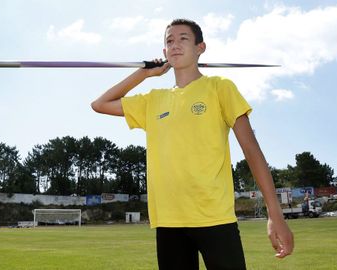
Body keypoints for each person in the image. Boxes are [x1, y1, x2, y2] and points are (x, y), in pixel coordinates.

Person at [91, 18, 293, 269]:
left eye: (183, 38)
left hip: (214, 218)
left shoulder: (220, 87)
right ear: (164, 52)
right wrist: (144, 73)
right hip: (168, 222)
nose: (175, 44)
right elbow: (100, 104)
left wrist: (275, 214)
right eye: (169, 41)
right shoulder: (153, 100)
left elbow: (252, 151)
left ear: (201, 47)